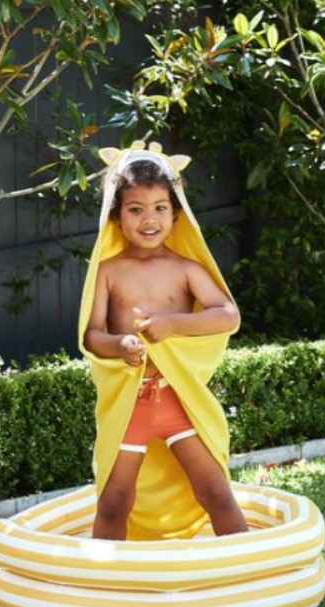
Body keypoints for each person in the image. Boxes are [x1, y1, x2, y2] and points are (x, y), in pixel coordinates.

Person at [83, 153, 248, 540]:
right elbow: (91, 335)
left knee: (216, 492)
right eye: (135, 209)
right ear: (116, 216)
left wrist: (173, 323)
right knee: (113, 501)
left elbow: (228, 315)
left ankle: (247, 566)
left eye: (160, 208)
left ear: (176, 213)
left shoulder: (186, 268)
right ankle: (105, 574)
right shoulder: (108, 272)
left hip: (178, 401)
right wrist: (121, 344)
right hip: (131, 405)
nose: (149, 219)